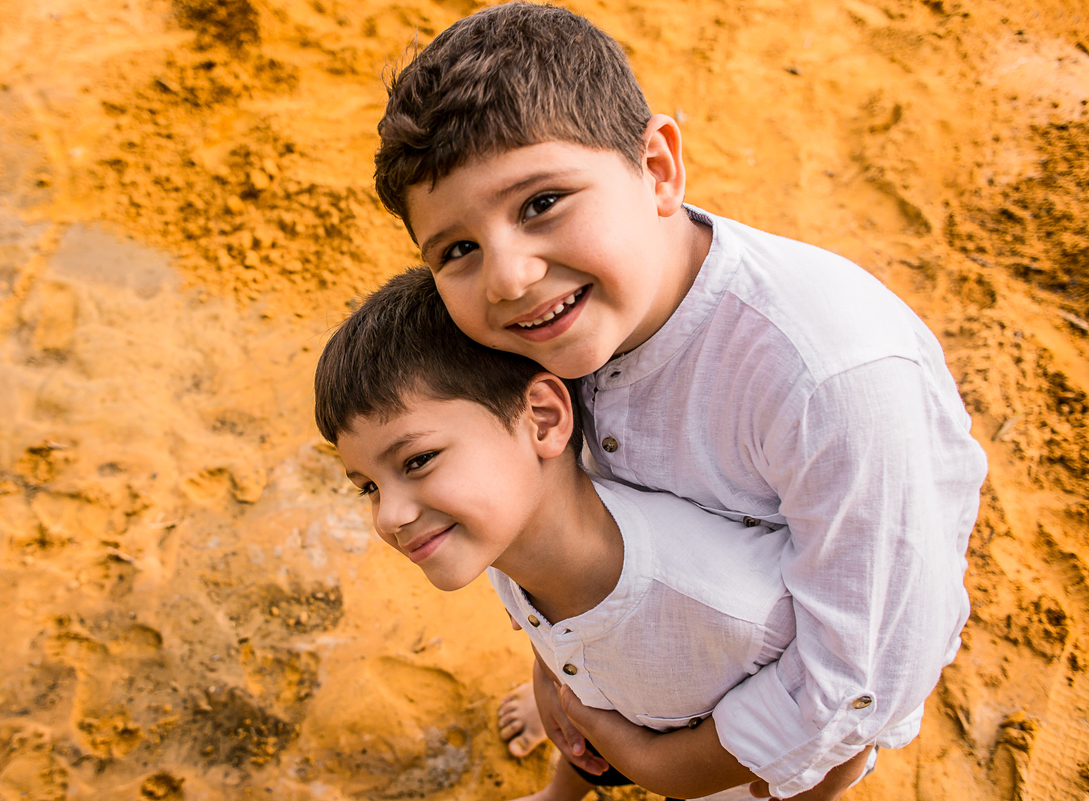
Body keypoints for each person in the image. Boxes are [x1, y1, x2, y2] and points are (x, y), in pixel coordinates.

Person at [371, 4, 989, 799]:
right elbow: (542, 510)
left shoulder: (830, 378)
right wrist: (555, 662)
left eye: (541, 203)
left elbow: (864, 675)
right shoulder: (542, 318)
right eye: (458, 248)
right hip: (632, 615)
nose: (509, 278)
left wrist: (666, 763)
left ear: (658, 168)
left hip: (772, 679)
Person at [314, 267, 805, 801]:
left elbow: (832, 728)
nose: (388, 517)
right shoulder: (505, 537)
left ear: (543, 420)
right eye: (368, 487)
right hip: (604, 688)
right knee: (580, 723)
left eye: (418, 460)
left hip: (725, 773)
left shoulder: (728, 612)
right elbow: (546, 625)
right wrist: (548, 671)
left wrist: (681, 773)